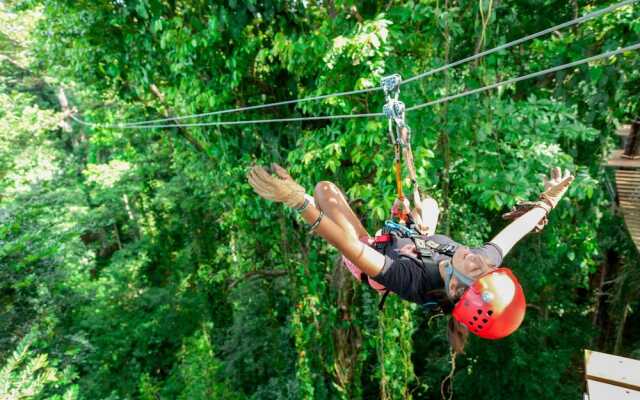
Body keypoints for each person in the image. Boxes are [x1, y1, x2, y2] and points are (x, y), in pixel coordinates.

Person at [247, 164, 573, 353]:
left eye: (478, 270)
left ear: (458, 291)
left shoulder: (411, 282)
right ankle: (422, 226)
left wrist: (299, 201)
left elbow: (351, 247)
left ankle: (417, 228)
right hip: (415, 240)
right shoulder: (479, 264)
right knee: (428, 206)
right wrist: (548, 200)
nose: (480, 259)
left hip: (374, 253)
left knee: (324, 189)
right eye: (490, 266)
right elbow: (514, 232)